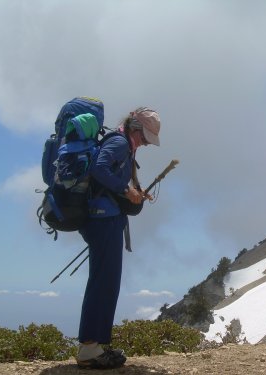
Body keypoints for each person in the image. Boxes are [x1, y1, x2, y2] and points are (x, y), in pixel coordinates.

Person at [76, 107, 161, 369]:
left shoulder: (122, 143)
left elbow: (107, 172)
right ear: (136, 128)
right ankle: (89, 348)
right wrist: (126, 189)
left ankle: (95, 345)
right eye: (145, 137)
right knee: (104, 281)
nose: (145, 143)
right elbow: (100, 168)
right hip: (104, 219)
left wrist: (132, 190)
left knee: (105, 280)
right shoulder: (119, 142)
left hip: (103, 219)